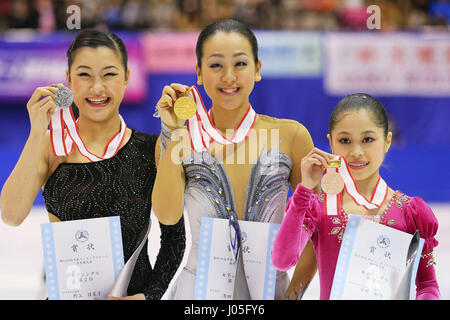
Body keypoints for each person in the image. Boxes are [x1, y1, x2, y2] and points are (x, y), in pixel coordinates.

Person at [0, 29, 185, 300]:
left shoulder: (153, 148)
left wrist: (149, 297)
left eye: (109, 74)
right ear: (68, 80)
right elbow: (11, 215)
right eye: (85, 74)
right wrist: (36, 133)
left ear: (126, 78)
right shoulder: (53, 147)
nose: (97, 87)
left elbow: (174, 238)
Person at [152, 19, 318, 300]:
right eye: (216, 65)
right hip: (199, 294)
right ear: (199, 73)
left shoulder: (291, 136)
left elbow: (317, 230)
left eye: (240, 64)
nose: (229, 76)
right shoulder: (181, 139)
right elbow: (168, 216)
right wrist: (172, 132)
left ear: (258, 70)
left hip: (271, 292)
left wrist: (293, 294)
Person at [271, 93, 440, 300]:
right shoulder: (317, 208)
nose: (356, 151)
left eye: (367, 139)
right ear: (331, 143)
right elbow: (282, 260)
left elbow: (427, 285)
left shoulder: (411, 212)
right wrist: (304, 189)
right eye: (345, 140)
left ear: (387, 141)